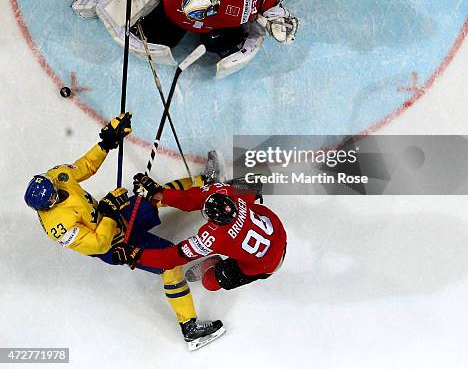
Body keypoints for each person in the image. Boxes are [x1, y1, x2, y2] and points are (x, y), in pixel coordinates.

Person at [23, 113, 224, 350]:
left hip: (116, 216)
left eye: (56, 189)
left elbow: (85, 166)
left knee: (155, 194)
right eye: (54, 198)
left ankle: (206, 184)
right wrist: (108, 212)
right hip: (116, 245)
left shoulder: (55, 177)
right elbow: (99, 244)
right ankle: (190, 328)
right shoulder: (58, 227)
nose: (59, 193)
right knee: (171, 264)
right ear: (47, 206)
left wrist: (106, 143)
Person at [71, 0, 298, 78]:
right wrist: (130, 0)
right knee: (160, 36)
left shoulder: (236, 7)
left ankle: (226, 41)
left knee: (217, 41)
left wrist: (274, 14)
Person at [111, 176, 287, 293]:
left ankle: (213, 263)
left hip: (264, 264)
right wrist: (159, 194)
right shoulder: (230, 193)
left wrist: (136, 256)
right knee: (249, 185)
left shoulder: (213, 238)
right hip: (278, 233)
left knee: (210, 283)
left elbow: (172, 257)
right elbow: (192, 199)